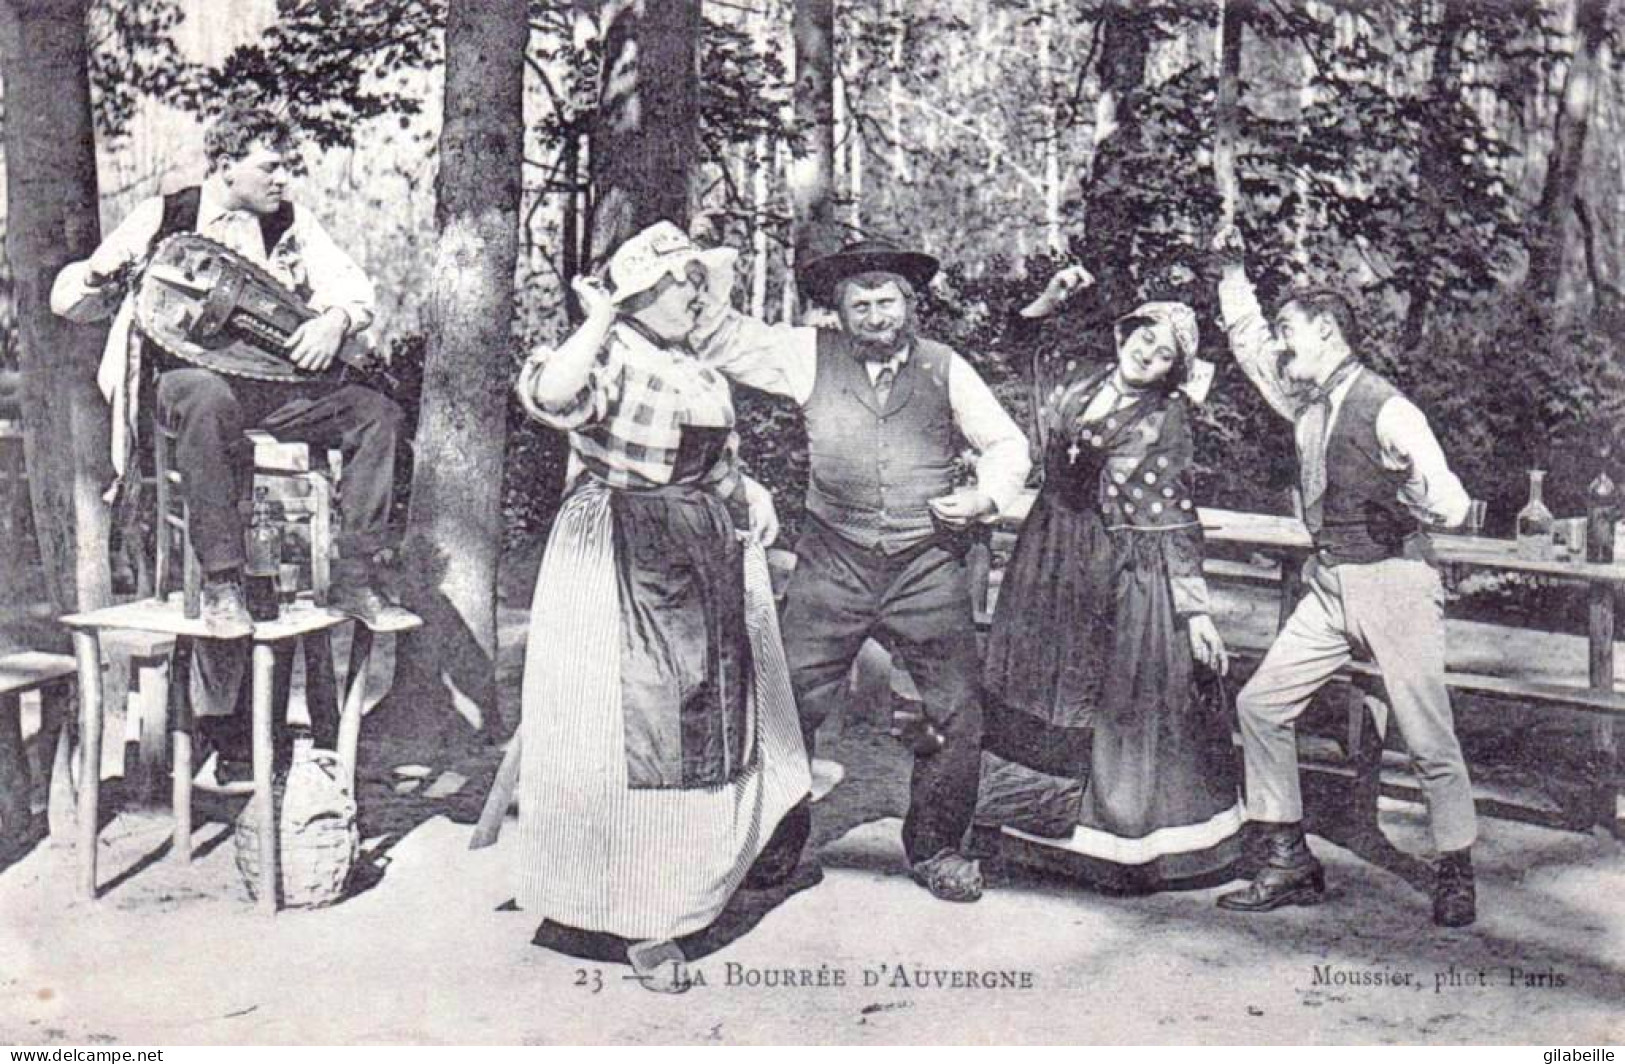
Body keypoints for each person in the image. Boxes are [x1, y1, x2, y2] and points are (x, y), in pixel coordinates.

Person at [51, 105, 402, 781]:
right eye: (270, 164)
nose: (282, 176)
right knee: (209, 400)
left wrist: (333, 317)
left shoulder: (290, 221)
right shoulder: (164, 214)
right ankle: (220, 587)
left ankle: (357, 573)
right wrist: (105, 274)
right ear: (225, 164)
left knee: (373, 412)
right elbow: (70, 298)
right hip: (180, 386)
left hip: (267, 385)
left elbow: (355, 290)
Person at [513, 221, 812, 993]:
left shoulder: (691, 363)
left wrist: (748, 487)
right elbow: (552, 396)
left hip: (700, 545)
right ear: (643, 291)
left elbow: (713, 455)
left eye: (697, 285)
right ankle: (631, 914)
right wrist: (602, 315)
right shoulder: (606, 349)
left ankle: (683, 894)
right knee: (620, 735)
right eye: (684, 285)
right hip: (616, 551)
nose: (698, 296)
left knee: (710, 721)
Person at [692, 237, 1032, 904]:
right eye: (859, 305)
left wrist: (985, 497)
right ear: (839, 313)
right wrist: (717, 269)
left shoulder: (944, 368)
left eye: (886, 302)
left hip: (927, 561)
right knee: (786, 700)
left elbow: (1006, 442)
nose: (875, 315)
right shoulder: (805, 356)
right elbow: (722, 339)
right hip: (832, 559)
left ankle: (937, 849)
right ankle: (773, 847)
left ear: (910, 305)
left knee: (954, 710)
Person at [1211, 223, 1477, 927]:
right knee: (1260, 707)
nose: (1278, 342)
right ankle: (1287, 859)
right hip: (1327, 587)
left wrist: (1408, 488)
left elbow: (1450, 505)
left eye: (1287, 328)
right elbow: (1248, 351)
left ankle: (1454, 867)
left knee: (1425, 736)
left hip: (1395, 584)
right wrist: (1233, 275)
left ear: (1326, 330)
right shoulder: (1305, 399)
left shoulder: (1388, 408)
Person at [974, 265, 1243, 892]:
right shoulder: (1080, 380)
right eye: (1144, 336)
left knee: (1109, 696)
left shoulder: (1162, 420)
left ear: (1175, 369)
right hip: (1046, 556)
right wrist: (1048, 297)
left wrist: (1195, 610)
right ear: (1126, 332)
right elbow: (1021, 351)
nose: (1147, 352)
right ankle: (1024, 826)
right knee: (1034, 682)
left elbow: (1173, 516)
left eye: (1164, 352)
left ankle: (1109, 847)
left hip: (1113, 563)